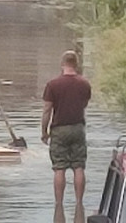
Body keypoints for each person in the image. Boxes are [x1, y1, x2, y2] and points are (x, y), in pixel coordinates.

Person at [41, 50, 91, 216]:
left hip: (59, 129)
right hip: (78, 127)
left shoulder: (52, 84)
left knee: (59, 167)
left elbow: (47, 110)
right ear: (76, 64)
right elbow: (83, 105)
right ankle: (79, 205)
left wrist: (44, 131)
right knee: (79, 166)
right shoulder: (84, 84)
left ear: (62, 64)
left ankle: (59, 206)